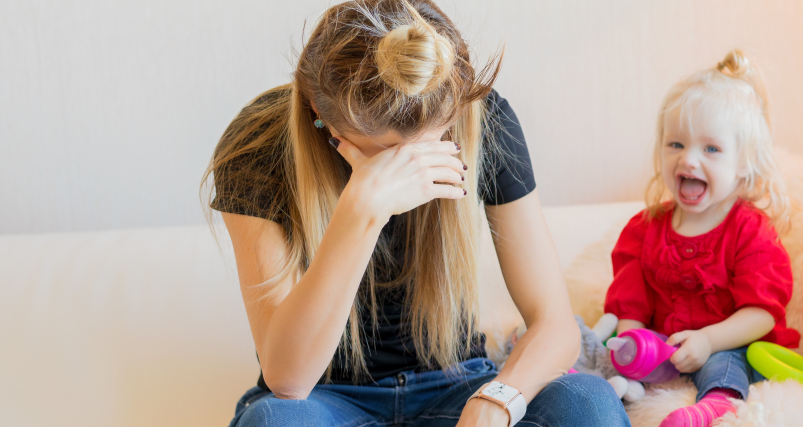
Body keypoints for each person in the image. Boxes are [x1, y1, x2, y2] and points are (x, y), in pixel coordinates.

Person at [204, 1, 629, 426]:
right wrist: (363, 207)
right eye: (387, 157)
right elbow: (288, 381)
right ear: (319, 112)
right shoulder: (259, 142)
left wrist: (499, 400)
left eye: (431, 146)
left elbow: (554, 325)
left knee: (587, 402)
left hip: (457, 386)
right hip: (323, 399)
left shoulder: (485, 120)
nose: (409, 170)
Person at [602, 49, 800, 427]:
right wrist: (633, 345)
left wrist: (708, 340)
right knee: (609, 351)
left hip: (727, 343)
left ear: (744, 164)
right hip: (667, 345)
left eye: (711, 149)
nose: (689, 160)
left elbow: (762, 313)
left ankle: (716, 405)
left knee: (725, 363)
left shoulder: (749, 229)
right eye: (675, 144)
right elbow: (630, 305)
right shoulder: (644, 229)